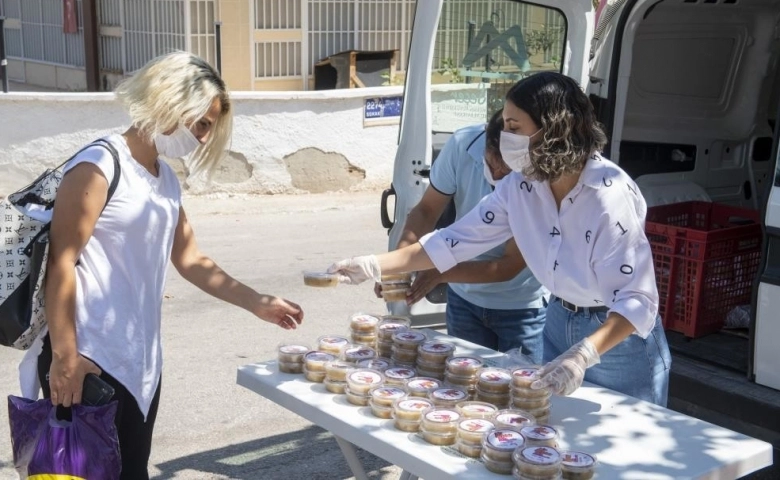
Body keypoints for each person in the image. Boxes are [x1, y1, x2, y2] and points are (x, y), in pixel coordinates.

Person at [328, 72, 672, 406]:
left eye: (513, 126)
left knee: (631, 445)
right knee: (563, 438)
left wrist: (584, 354)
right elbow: (453, 241)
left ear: (552, 129)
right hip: (559, 318)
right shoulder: (523, 185)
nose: (504, 136)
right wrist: (373, 264)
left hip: (616, 336)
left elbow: (636, 300)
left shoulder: (609, 196)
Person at [38, 52, 304, 479]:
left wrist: (258, 302)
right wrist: (65, 356)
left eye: (209, 128)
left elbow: (191, 259)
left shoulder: (164, 179)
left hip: (140, 364)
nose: (203, 138)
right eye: (202, 123)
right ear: (170, 102)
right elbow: (61, 263)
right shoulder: (98, 165)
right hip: (88, 359)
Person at [382, 109, 548, 361]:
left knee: (524, 392)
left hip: (522, 307)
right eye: (494, 163)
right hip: (463, 301)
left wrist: (440, 271)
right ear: (486, 142)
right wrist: (398, 263)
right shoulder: (463, 144)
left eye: (508, 170)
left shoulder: (534, 170)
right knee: (463, 387)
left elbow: (508, 266)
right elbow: (426, 210)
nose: (499, 174)